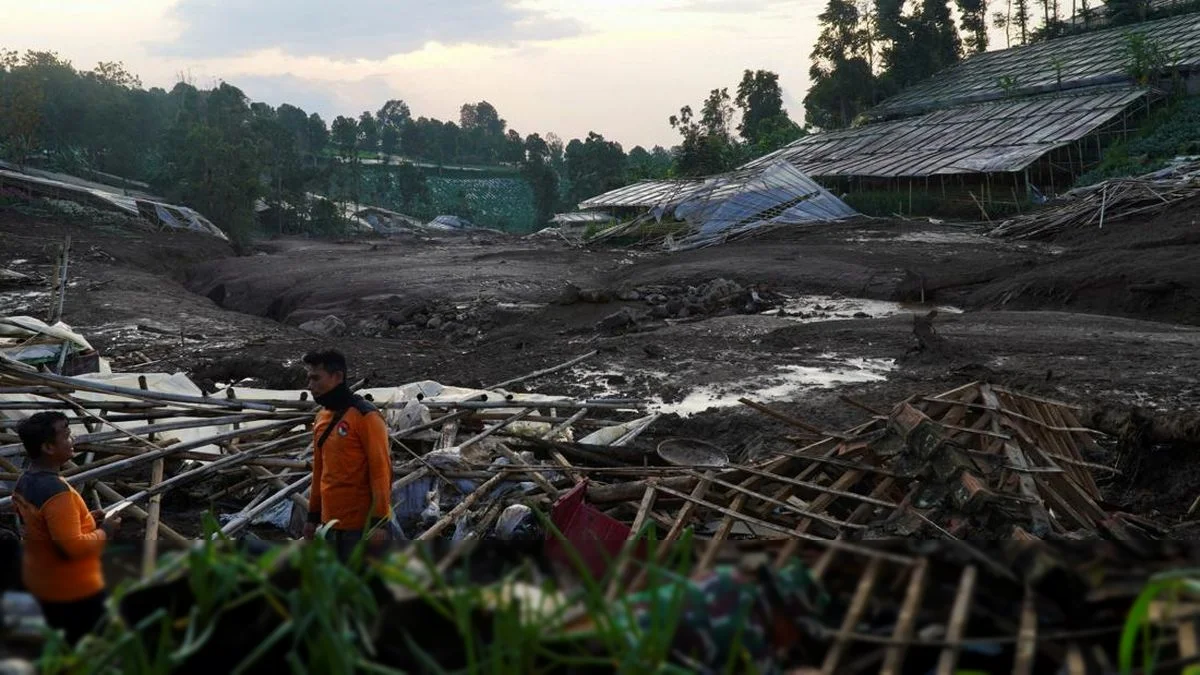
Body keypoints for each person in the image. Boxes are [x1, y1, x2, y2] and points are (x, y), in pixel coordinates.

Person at [13, 411, 121, 645]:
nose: (73, 440)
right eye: (67, 435)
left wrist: (88, 519)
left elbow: (43, 526)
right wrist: (106, 532)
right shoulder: (58, 494)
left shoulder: (25, 481)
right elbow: (71, 548)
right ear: (49, 448)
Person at [301, 349, 393, 561]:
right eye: (308, 378)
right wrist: (312, 516)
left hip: (360, 527)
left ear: (338, 377)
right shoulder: (322, 417)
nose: (310, 385)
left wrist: (380, 522)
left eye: (316, 378)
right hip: (329, 524)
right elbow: (319, 470)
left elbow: (381, 471)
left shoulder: (365, 416)